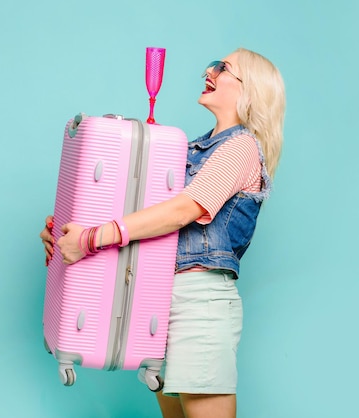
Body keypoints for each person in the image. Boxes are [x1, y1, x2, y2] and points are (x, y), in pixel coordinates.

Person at [40, 46, 285, 418]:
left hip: (198, 305)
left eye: (223, 68)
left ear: (248, 88)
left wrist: (92, 239)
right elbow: (139, 215)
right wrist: (67, 231)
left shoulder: (242, 148)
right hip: (155, 301)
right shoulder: (186, 150)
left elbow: (182, 211)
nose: (209, 70)